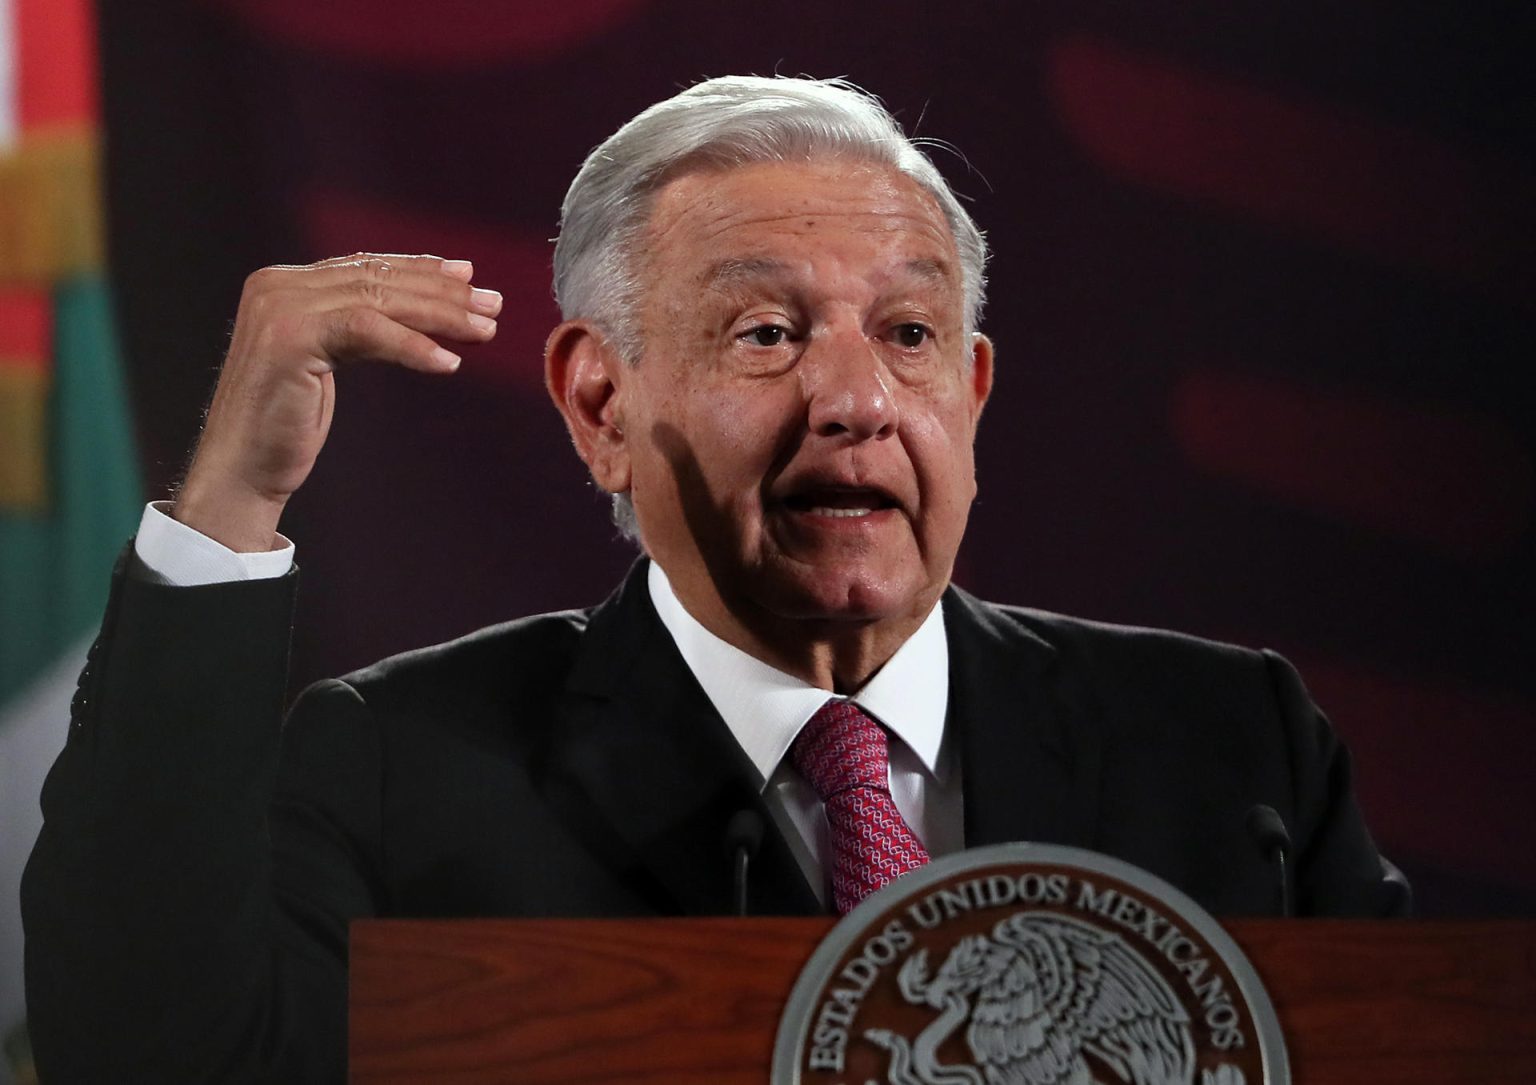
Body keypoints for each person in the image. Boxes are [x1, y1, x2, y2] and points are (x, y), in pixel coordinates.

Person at [22, 75, 1408, 1082]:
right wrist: (231, 504)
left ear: (973, 393)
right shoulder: (404, 767)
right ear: (601, 404)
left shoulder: (1234, 747)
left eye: (912, 331)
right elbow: (144, 1051)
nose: (859, 396)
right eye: (766, 331)